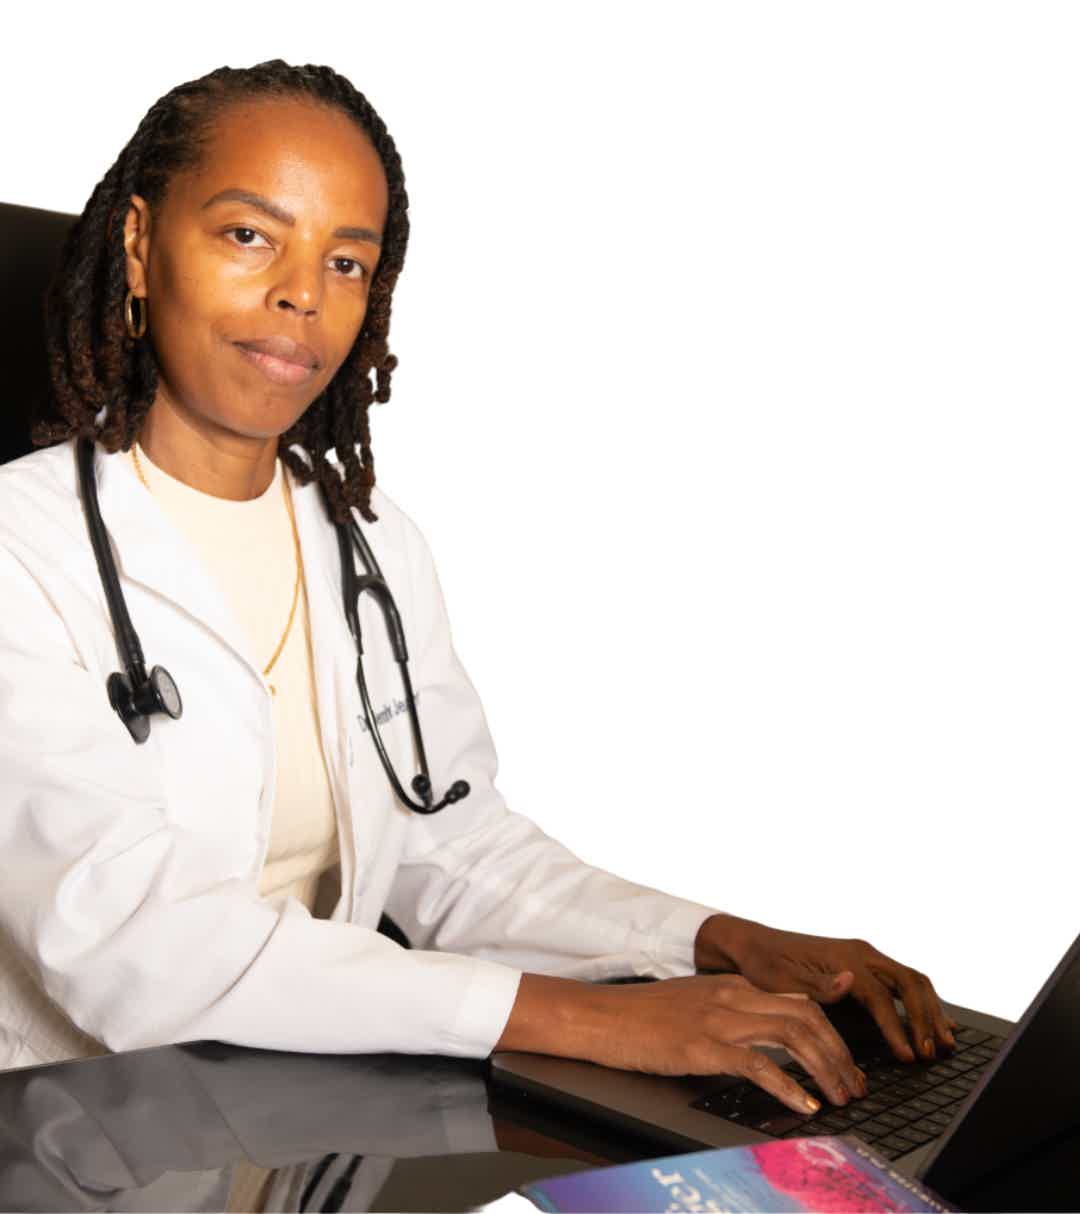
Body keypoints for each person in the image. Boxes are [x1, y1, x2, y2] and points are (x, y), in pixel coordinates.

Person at [0, 60, 954, 1122]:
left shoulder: (367, 543)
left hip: (302, 1120)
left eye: (348, 260)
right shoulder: (18, 553)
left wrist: (712, 941)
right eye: (248, 235)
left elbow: (450, 848)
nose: (302, 295)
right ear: (139, 244)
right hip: (73, 1138)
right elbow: (135, 942)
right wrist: (597, 1019)